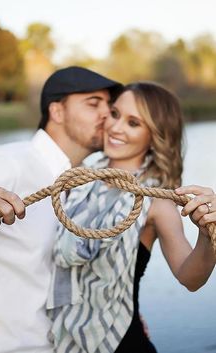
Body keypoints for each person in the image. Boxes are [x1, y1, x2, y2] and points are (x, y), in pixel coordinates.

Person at [46, 82, 216, 353]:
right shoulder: (78, 181)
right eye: (115, 114)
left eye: (133, 123)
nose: (116, 127)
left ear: (154, 136)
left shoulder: (157, 200)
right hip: (64, 338)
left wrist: (207, 235)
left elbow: (190, 278)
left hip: (123, 343)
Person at [0, 66, 122, 353]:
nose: (106, 114)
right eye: (93, 103)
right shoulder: (11, 162)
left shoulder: (85, 186)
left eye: (109, 105)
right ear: (57, 112)